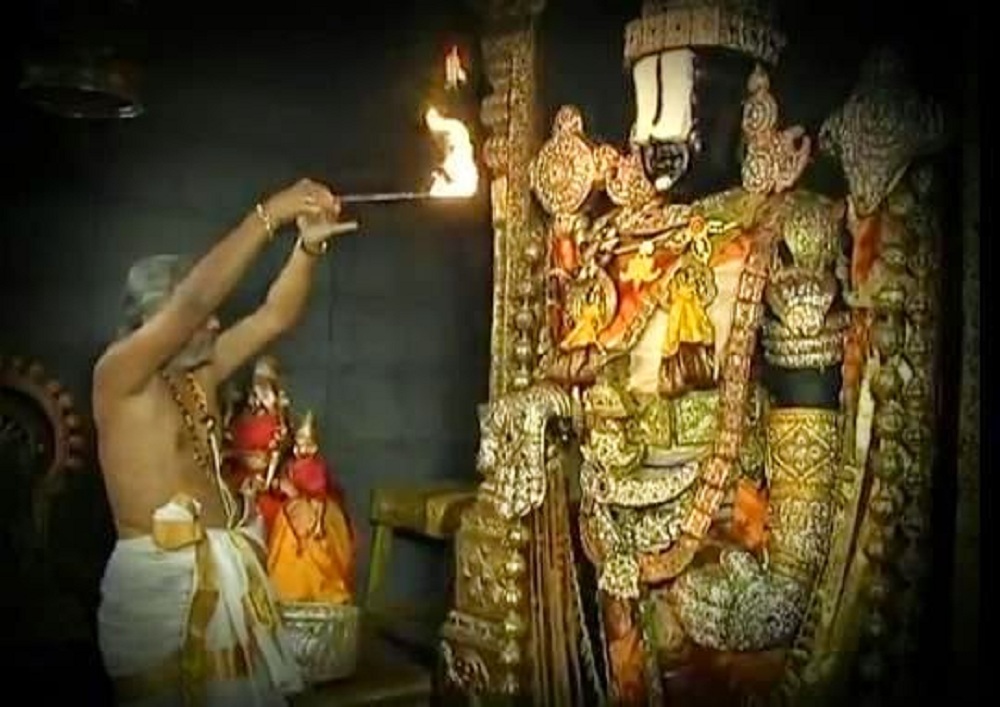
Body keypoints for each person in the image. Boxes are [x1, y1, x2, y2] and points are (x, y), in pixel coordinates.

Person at [93, 178, 349, 706]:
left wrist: (308, 246)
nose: (214, 323)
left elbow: (273, 316)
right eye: (199, 320)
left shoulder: (197, 373)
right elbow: (192, 305)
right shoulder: (119, 376)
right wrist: (267, 215)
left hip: (228, 570)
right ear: (151, 323)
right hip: (158, 587)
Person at [266, 411, 355, 605]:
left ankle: (317, 588)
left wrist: (317, 524)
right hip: (291, 511)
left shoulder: (316, 469)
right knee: (286, 552)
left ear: (314, 448)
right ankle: (287, 589)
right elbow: (282, 484)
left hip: (313, 511)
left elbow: (319, 498)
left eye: (306, 445)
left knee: (314, 553)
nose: (300, 450)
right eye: (298, 445)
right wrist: (279, 485)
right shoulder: (291, 465)